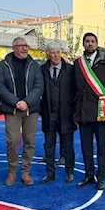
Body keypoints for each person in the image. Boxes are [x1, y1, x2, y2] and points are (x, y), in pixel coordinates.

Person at [0, 37, 44, 186]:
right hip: (12, 109)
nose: (24, 48)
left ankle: (25, 171)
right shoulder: (3, 66)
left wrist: (27, 102)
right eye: (20, 46)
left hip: (31, 109)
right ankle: (12, 170)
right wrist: (16, 102)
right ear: (13, 47)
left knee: (30, 141)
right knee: (13, 141)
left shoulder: (34, 65)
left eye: (25, 46)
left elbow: (39, 86)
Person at [74, 33, 105, 190]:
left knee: (101, 147)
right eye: (87, 41)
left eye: (93, 41)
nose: (90, 44)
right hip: (83, 112)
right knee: (86, 147)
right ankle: (89, 175)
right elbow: (74, 88)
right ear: (83, 44)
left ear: (97, 44)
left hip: (100, 112)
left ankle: (101, 177)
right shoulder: (78, 63)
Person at [39, 41, 76, 184]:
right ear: (47, 54)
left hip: (66, 115)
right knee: (49, 146)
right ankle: (50, 173)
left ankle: (69, 172)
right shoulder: (42, 69)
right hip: (49, 114)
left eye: (58, 52)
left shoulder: (71, 70)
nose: (56, 55)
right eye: (52, 52)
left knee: (68, 146)